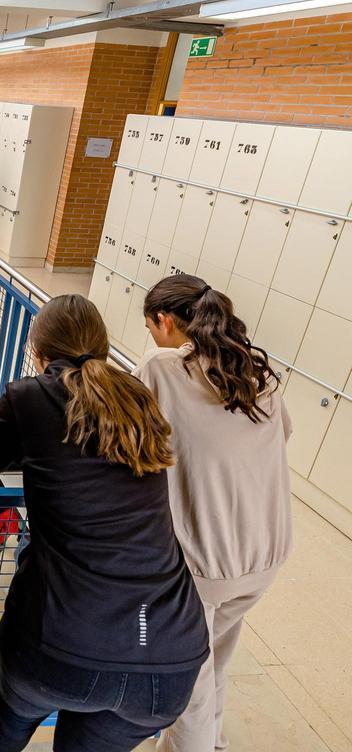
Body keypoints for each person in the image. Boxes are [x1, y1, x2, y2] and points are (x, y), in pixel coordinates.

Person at [0, 294, 208, 752]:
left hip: (61, 645)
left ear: (39, 353)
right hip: (165, 653)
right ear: (103, 346)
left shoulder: (29, 397)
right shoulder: (138, 399)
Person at [135, 275, 292, 752]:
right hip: (266, 551)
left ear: (164, 321)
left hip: (205, 560)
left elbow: (137, 439)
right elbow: (281, 434)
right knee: (215, 658)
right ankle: (213, 742)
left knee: (190, 686)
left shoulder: (162, 366)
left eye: (150, 327)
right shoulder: (254, 371)